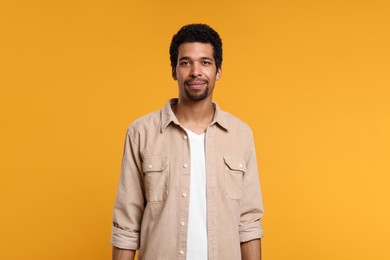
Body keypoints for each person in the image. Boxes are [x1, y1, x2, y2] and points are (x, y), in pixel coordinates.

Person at [111, 23, 264, 260]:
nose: (195, 72)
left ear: (218, 71)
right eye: (185, 63)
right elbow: (126, 226)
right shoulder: (141, 133)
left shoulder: (241, 135)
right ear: (174, 70)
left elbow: (249, 223)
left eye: (205, 62)